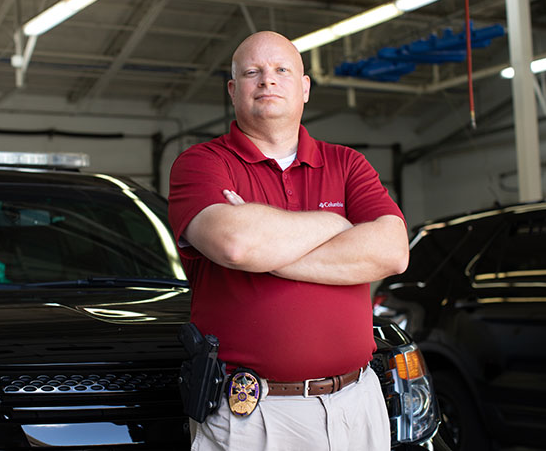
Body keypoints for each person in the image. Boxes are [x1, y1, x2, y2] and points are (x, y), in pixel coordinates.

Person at [168, 31, 409, 451]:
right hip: (254, 415)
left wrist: (270, 254)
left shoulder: (347, 163)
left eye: (282, 70)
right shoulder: (202, 164)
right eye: (252, 72)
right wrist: (339, 223)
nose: (267, 81)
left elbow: (392, 251)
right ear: (233, 90)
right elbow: (237, 246)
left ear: (305, 87)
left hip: (358, 404)